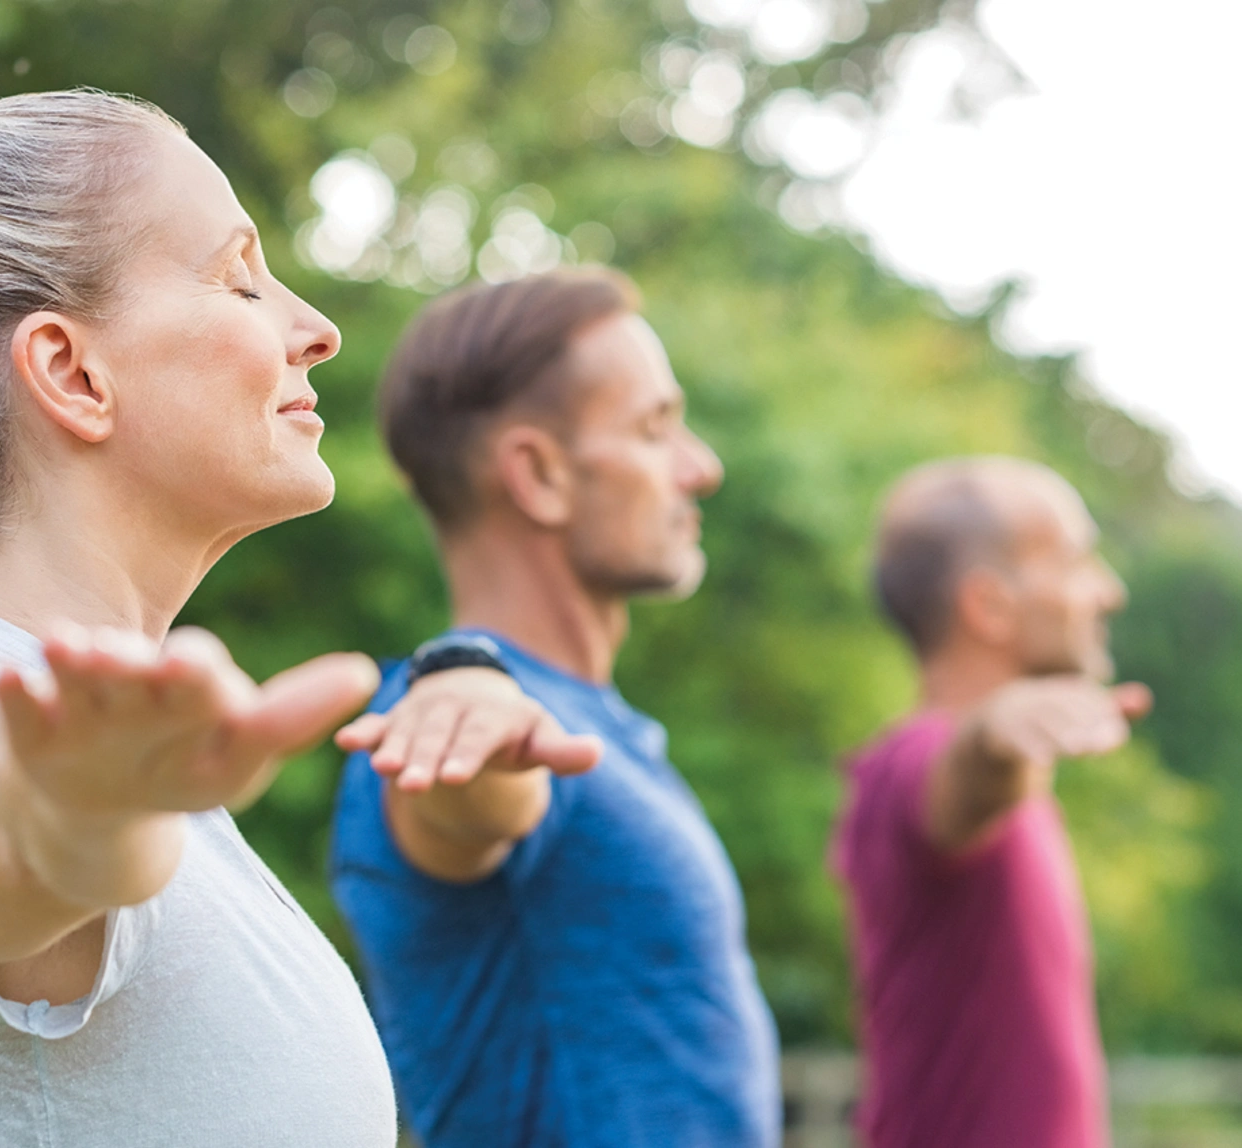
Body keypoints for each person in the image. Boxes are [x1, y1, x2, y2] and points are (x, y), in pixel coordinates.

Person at [0, 90, 564, 1147]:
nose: (316, 329)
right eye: (239, 276)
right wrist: (76, 802)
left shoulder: (119, 764)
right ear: (72, 372)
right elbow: (11, 817)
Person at [328, 268, 782, 1148]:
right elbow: (469, 796)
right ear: (538, 474)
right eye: (657, 429)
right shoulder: (448, 723)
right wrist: (470, 699)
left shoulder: (594, 726)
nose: (702, 468)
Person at [831, 457, 1152, 1148]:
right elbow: (963, 773)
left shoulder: (1023, 796)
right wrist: (994, 732)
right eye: (1076, 561)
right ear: (990, 606)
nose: (1108, 591)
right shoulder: (905, 768)